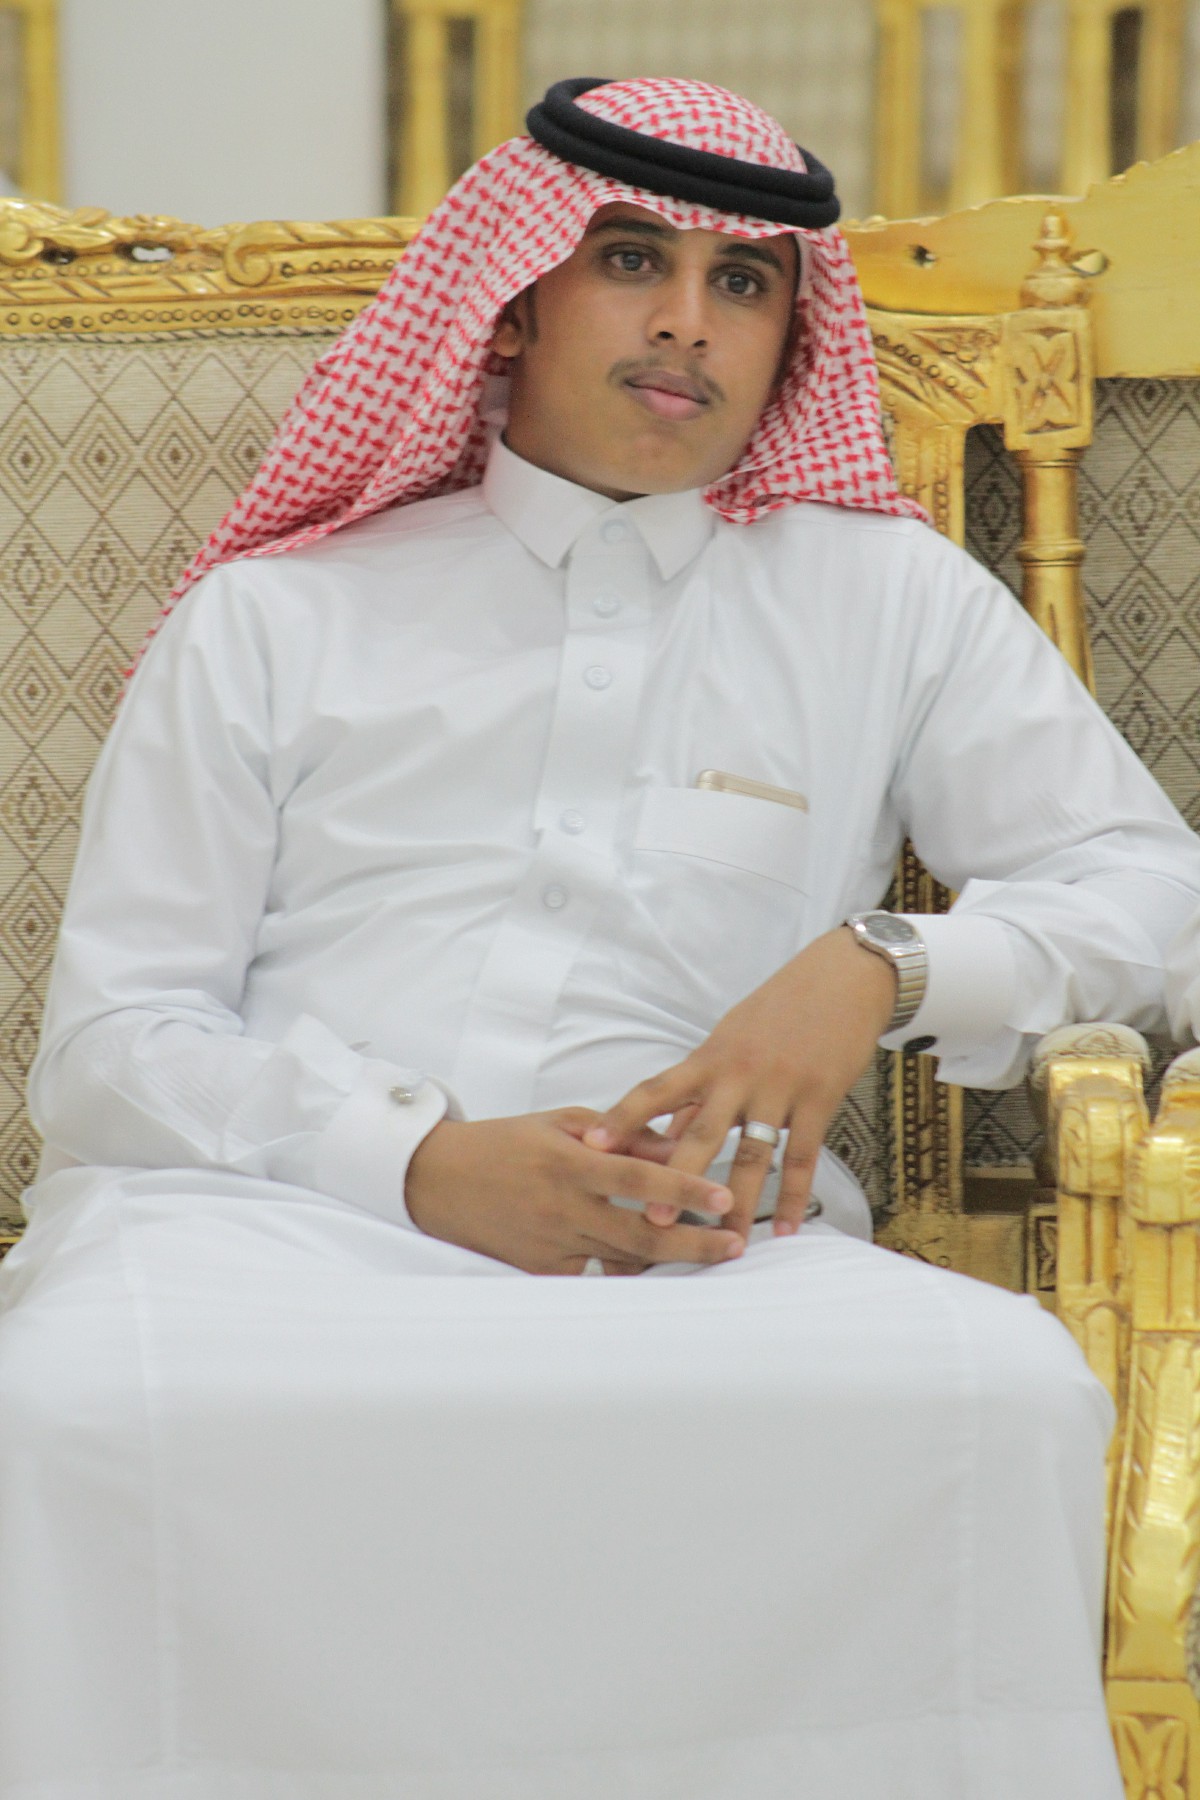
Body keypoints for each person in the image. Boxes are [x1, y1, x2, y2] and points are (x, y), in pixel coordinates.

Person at [0, 74, 1195, 1800]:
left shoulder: (887, 601)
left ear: (792, 339)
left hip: (704, 1261)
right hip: (276, 1239)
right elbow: (115, 1047)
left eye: (743, 282)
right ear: (516, 297)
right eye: (633, 259)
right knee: (70, 1409)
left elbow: (1153, 891)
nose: (688, 321)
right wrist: (418, 1165)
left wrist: (887, 962)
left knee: (996, 1394)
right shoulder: (280, 615)